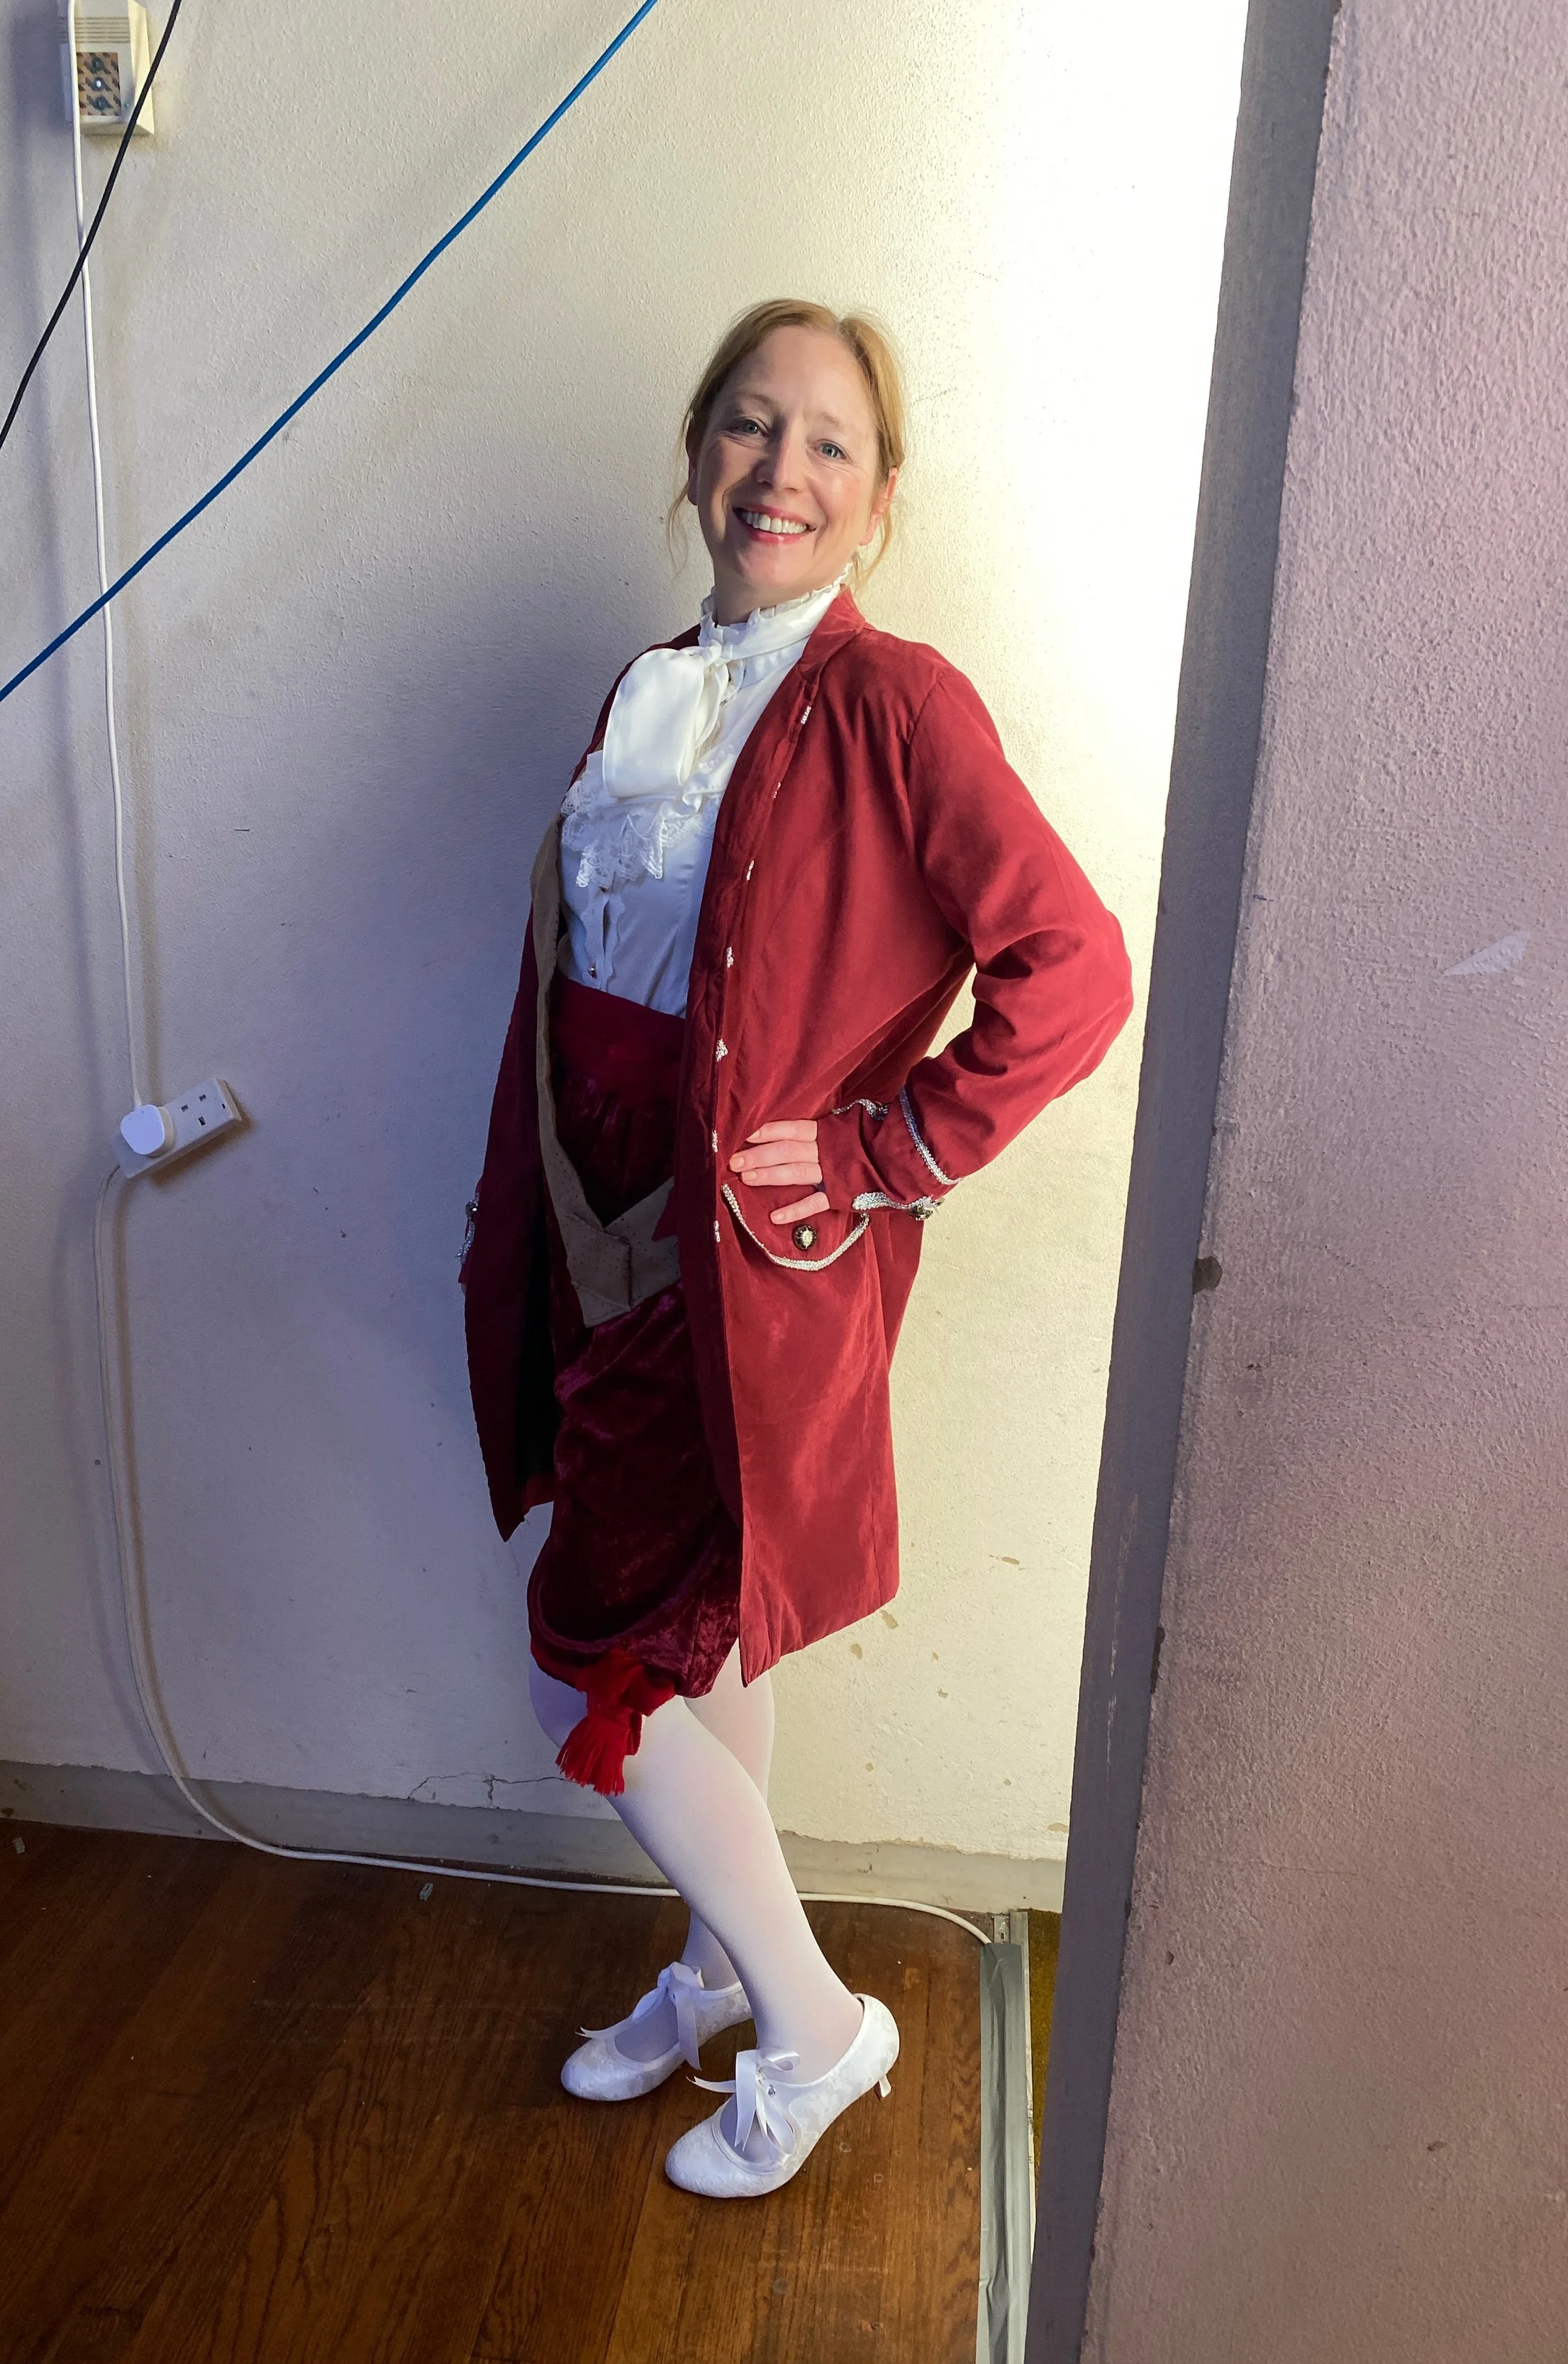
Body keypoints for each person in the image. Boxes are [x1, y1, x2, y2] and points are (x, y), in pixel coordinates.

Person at [461, 298, 1133, 2199]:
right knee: (704, 1620)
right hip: (600, 1226)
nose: (778, 467)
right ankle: (707, 1970)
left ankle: (818, 2021)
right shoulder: (652, 679)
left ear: (880, 497)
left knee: (585, 1655)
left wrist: (889, 1141)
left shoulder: (889, 701)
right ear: (695, 455)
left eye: (826, 441)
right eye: (747, 427)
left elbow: (1070, 970)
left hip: (737, 1261)